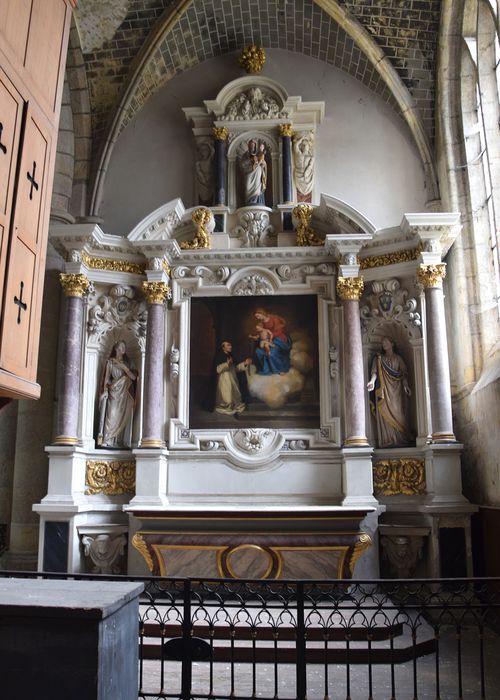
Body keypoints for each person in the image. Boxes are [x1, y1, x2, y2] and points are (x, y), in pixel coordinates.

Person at [367, 336, 413, 448]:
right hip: (383, 390)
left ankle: (401, 439)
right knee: (384, 411)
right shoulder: (378, 359)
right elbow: (375, 372)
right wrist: (372, 382)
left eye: (386, 342)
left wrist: (406, 385)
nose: (384, 344)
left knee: (399, 414)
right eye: (383, 342)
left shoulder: (398, 358)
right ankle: (387, 440)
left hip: (396, 391)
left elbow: (403, 373)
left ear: (392, 344)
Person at [97, 340, 138, 448]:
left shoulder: (128, 363)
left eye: (124, 347)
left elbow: (133, 377)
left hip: (125, 393)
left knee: (123, 415)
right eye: (121, 346)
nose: (123, 349)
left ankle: (119, 441)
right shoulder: (110, 362)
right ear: (116, 348)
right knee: (111, 414)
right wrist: (105, 390)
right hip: (114, 392)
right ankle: (107, 439)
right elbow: (106, 379)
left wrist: (124, 368)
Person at [214, 341, 252, 416]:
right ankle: (226, 406)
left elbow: (236, 369)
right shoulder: (220, 356)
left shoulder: (231, 356)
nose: (230, 347)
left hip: (233, 379)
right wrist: (227, 364)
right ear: (223, 347)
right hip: (224, 379)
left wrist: (245, 363)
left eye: (230, 345)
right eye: (228, 345)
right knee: (227, 399)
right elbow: (218, 369)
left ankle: (233, 406)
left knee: (235, 397)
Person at [252, 309, 292, 375]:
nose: (257, 318)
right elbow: (262, 333)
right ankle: (267, 369)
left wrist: (270, 337)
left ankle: (280, 369)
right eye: (256, 317)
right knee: (258, 351)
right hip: (267, 340)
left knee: (272, 353)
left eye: (258, 316)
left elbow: (279, 331)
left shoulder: (274, 319)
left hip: (278, 338)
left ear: (262, 313)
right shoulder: (261, 323)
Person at [239, 139, 267, 205]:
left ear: (255, 146)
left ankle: (257, 200)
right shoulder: (245, 155)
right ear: (248, 146)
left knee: (257, 186)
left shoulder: (258, 154)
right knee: (247, 186)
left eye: (253, 146)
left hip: (257, 171)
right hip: (248, 173)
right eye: (251, 145)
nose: (252, 147)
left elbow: (264, 164)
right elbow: (242, 164)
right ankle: (248, 201)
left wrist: (261, 162)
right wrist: (250, 160)